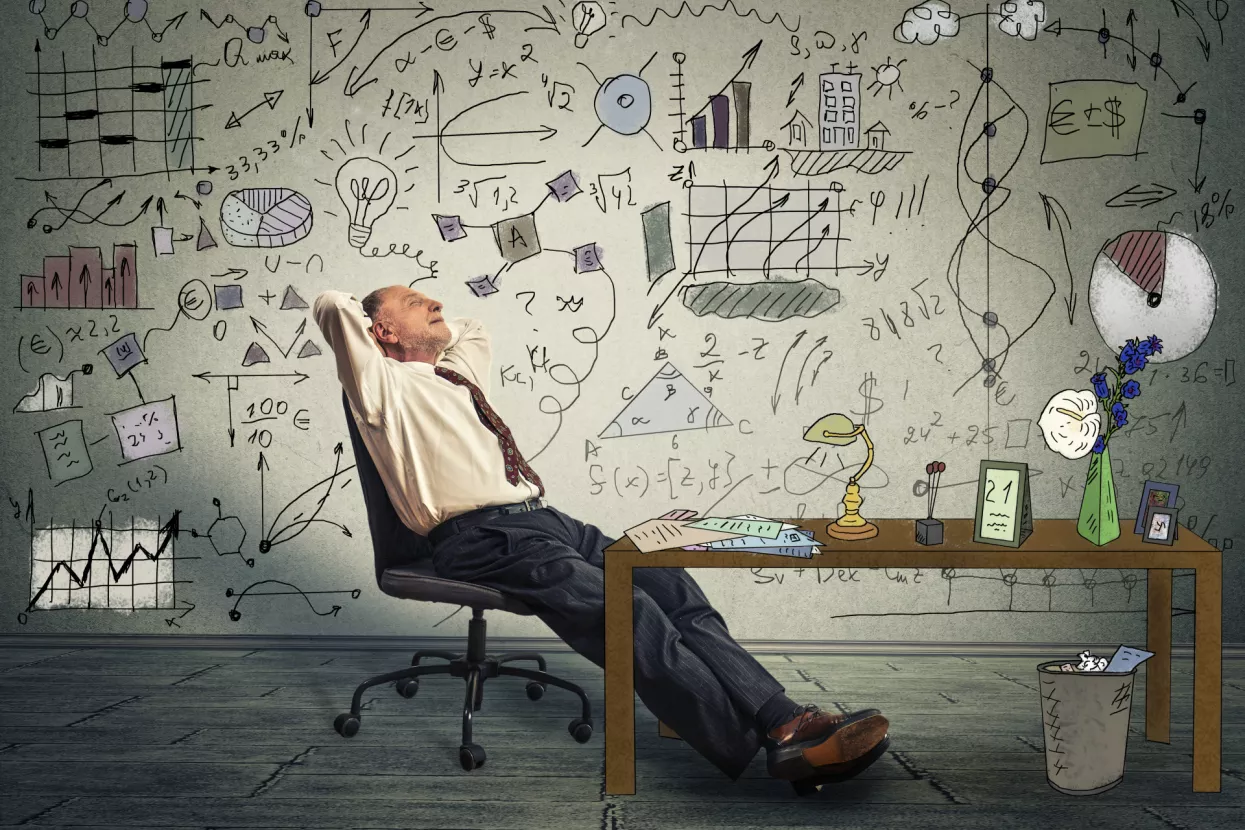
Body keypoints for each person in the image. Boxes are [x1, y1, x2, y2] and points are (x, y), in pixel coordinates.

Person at [313, 285, 891, 789]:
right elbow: (331, 305)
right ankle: (773, 748)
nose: (438, 304)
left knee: (666, 581)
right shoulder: (378, 386)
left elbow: (474, 327)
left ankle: (785, 718)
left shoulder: (454, 375)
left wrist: (424, 321)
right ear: (380, 330)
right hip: (481, 536)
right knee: (629, 612)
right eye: (416, 303)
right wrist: (375, 325)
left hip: (546, 519)